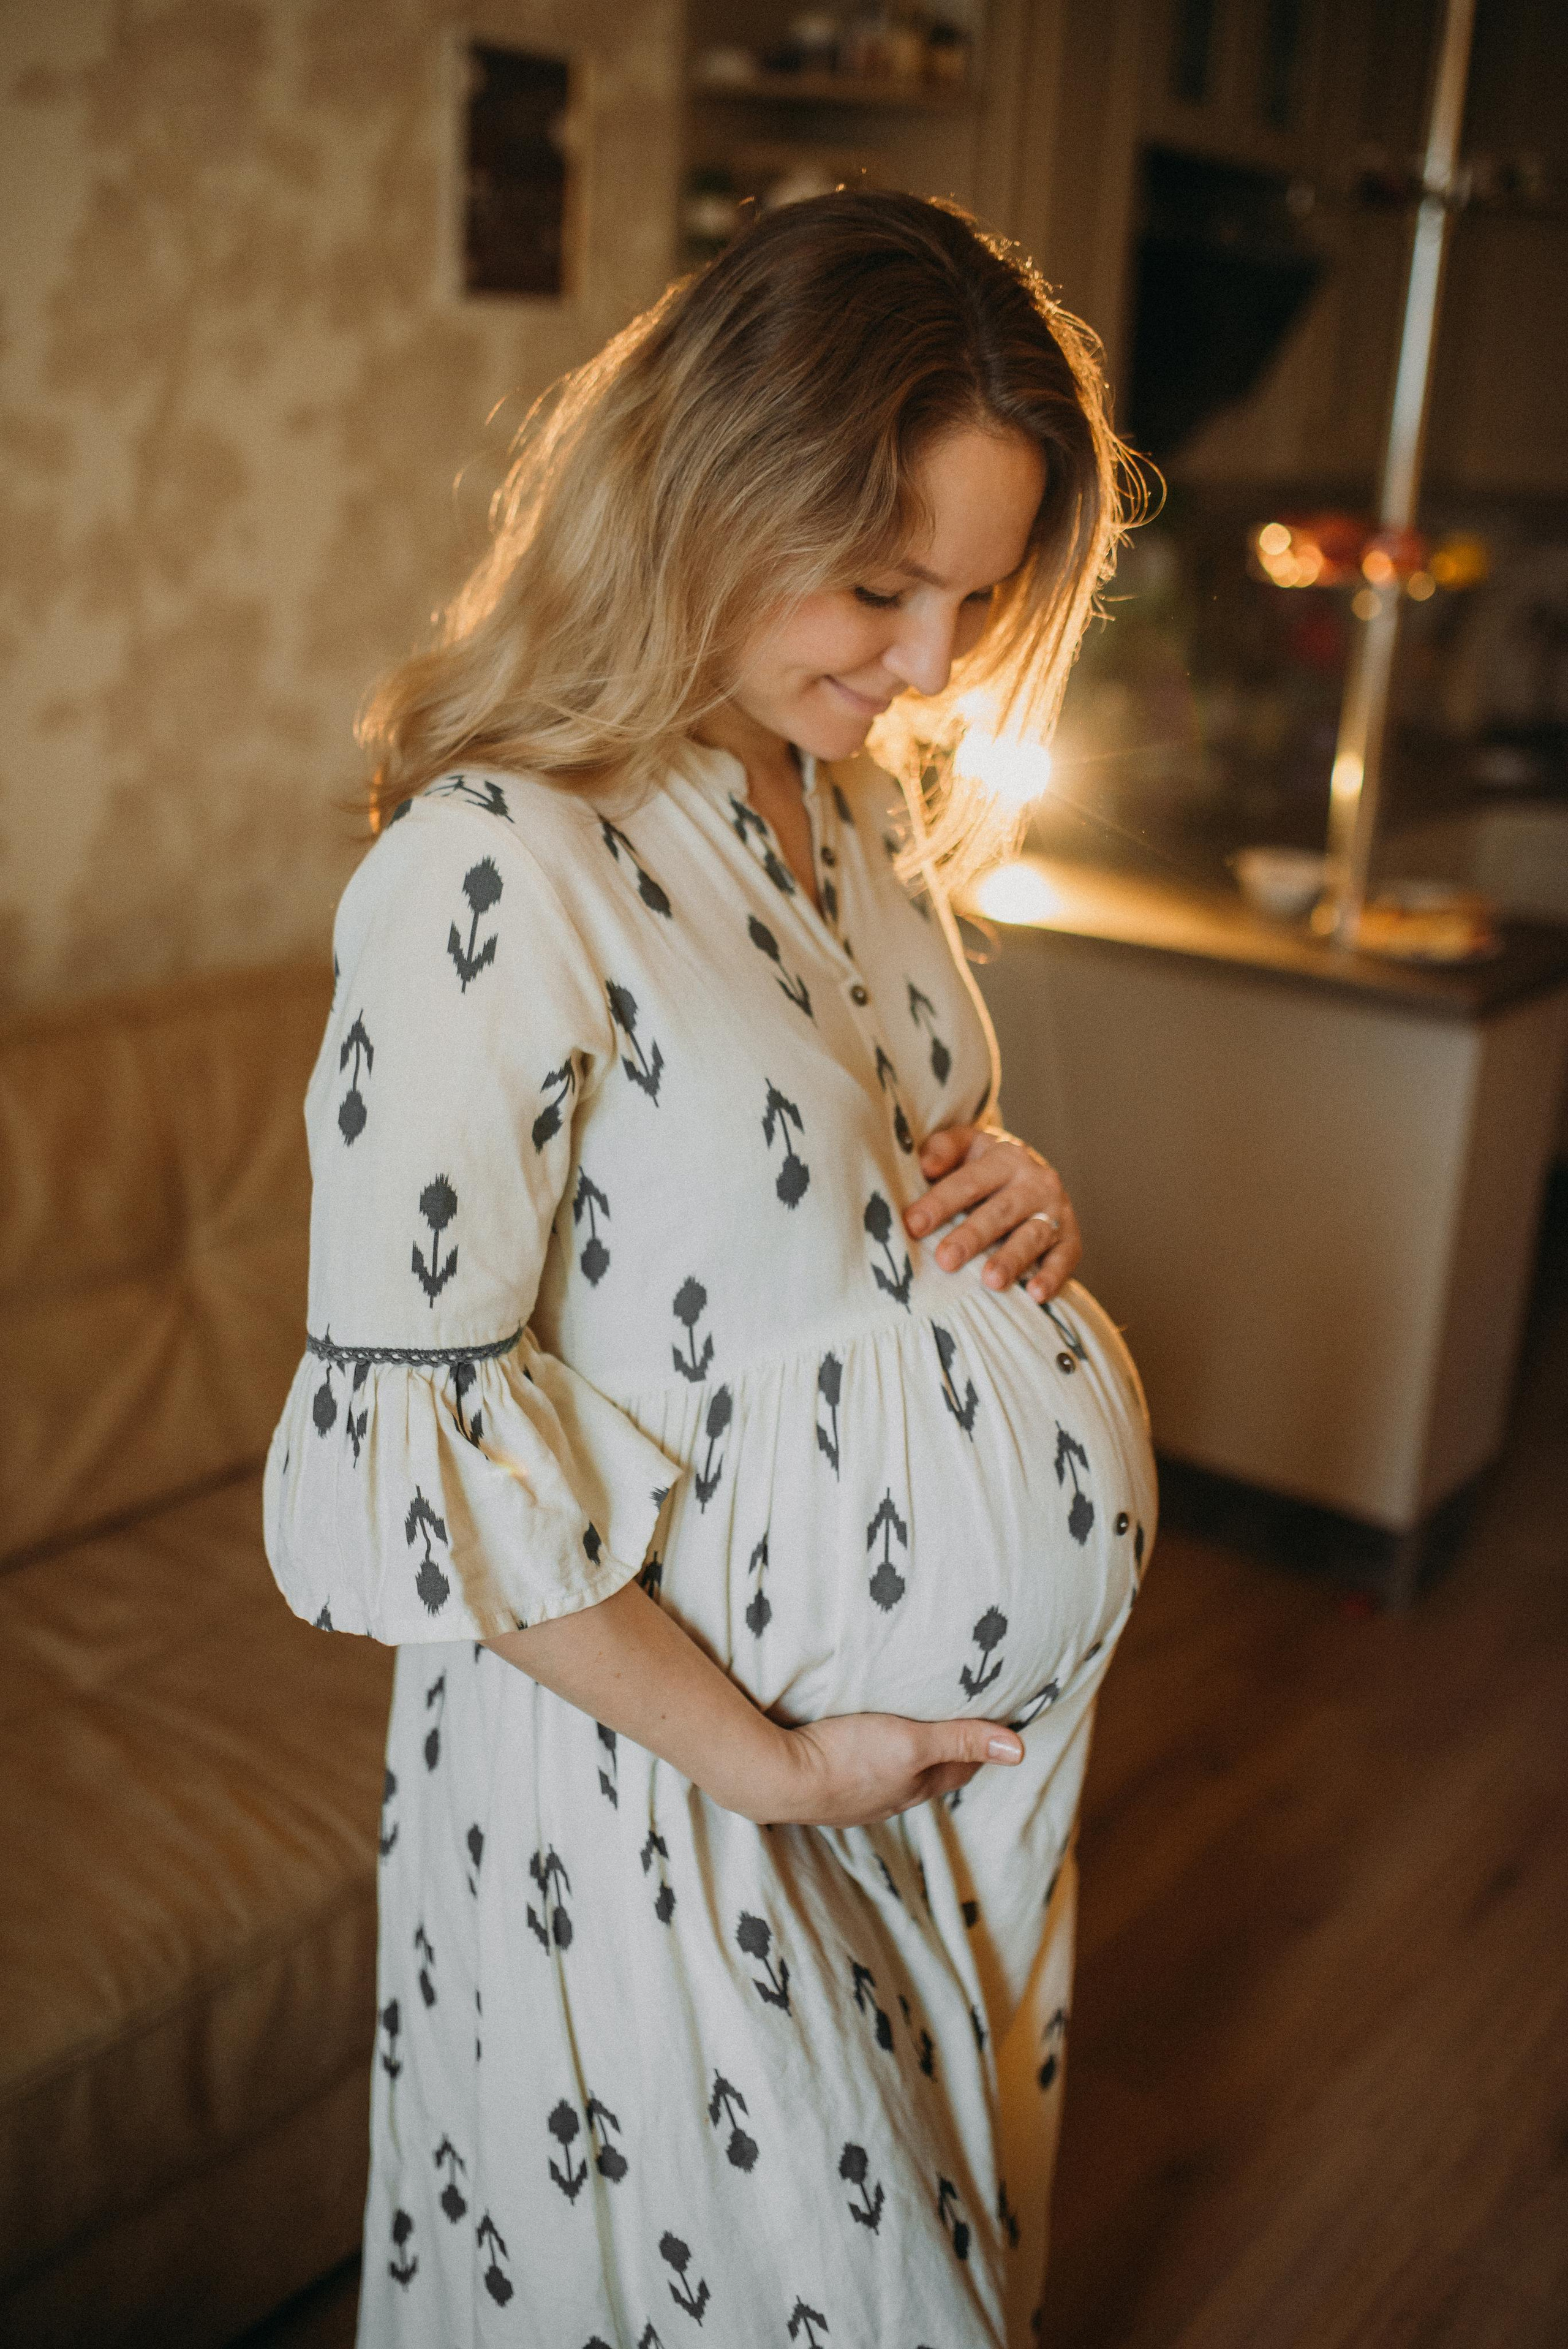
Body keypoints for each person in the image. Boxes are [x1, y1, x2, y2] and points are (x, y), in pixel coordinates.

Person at [264, 189, 1156, 2348]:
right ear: (704, 497)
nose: (932, 664)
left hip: (910, 1793)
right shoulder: (494, 859)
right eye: (878, 584)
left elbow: (842, 1185)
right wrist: (770, 1764)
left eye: (975, 591)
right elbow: (424, 1441)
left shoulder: (839, 791)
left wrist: (1013, 1194)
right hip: (656, 1784)